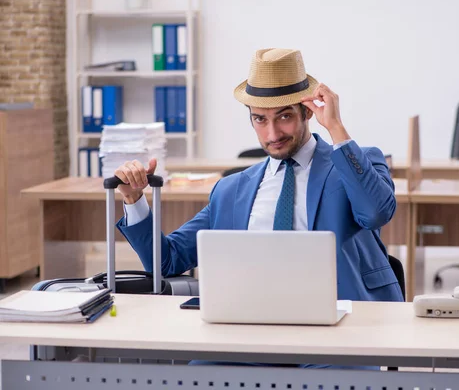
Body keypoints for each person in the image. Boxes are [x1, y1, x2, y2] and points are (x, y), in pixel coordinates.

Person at [114, 48, 403, 369]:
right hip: (250, 334)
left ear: (307, 112)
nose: (272, 133)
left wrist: (336, 128)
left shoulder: (353, 162)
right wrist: (134, 200)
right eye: (260, 119)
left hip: (338, 333)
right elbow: (167, 260)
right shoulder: (231, 189)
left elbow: (376, 212)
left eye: (285, 116)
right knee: (199, 374)